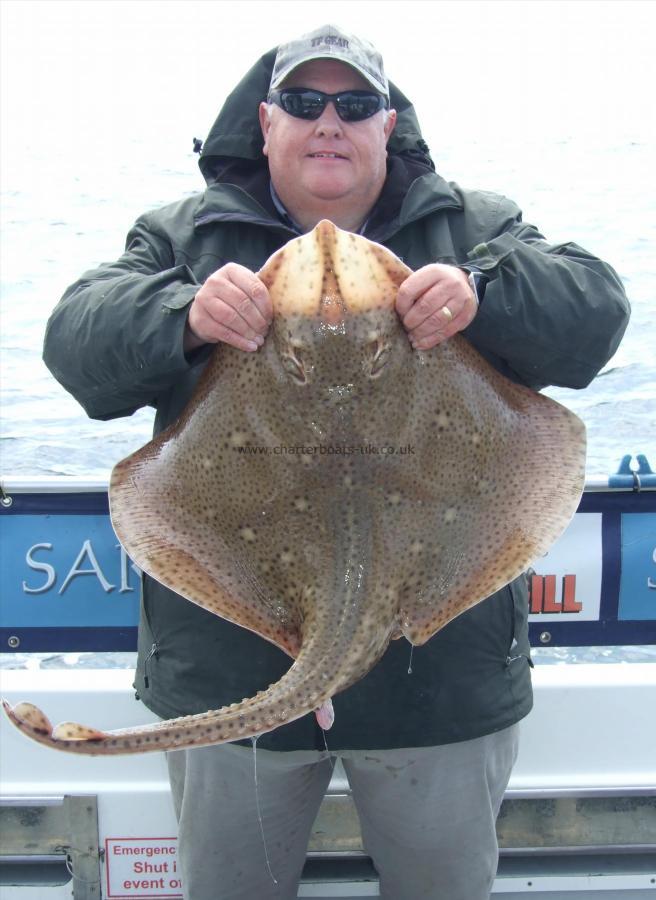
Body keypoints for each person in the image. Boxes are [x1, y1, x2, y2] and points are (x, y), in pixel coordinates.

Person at [43, 24, 630, 900]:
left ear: (387, 126)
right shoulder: (183, 238)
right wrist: (184, 315)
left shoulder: (476, 227)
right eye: (307, 104)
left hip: (438, 694)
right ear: (265, 121)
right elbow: (75, 342)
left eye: (354, 105)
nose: (331, 123)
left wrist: (486, 293)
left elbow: (595, 314)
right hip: (233, 679)